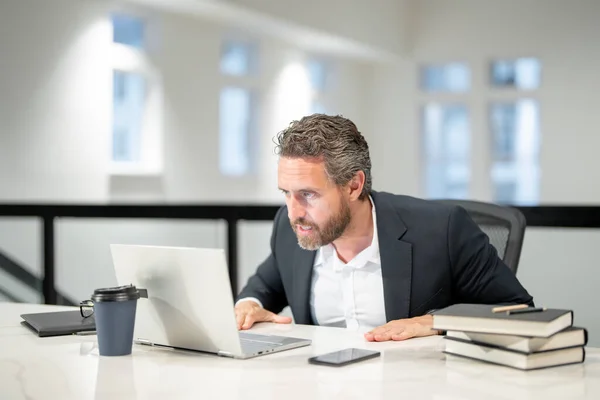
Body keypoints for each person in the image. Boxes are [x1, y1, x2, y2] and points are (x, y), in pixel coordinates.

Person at [235, 114, 534, 342]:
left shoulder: (442, 230)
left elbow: (518, 309)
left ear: (354, 185)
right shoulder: (294, 229)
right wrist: (249, 306)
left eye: (308, 194)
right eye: (285, 193)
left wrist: (434, 323)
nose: (293, 212)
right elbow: (263, 287)